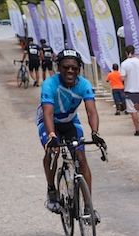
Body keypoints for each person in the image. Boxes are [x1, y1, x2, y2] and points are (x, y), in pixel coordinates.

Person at [39, 49, 106, 221]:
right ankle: (51, 190)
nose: (70, 71)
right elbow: (47, 113)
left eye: (74, 68)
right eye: (66, 67)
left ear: (79, 69)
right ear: (58, 67)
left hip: (70, 122)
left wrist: (95, 132)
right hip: (49, 122)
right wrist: (52, 135)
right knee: (52, 152)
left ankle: (88, 206)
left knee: (81, 158)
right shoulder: (49, 84)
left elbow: (91, 111)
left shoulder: (84, 85)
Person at [119, 45, 139, 136]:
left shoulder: (124, 63)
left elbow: (122, 78)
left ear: (126, 52)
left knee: (133, 111)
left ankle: (137, 129)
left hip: (130, 90)